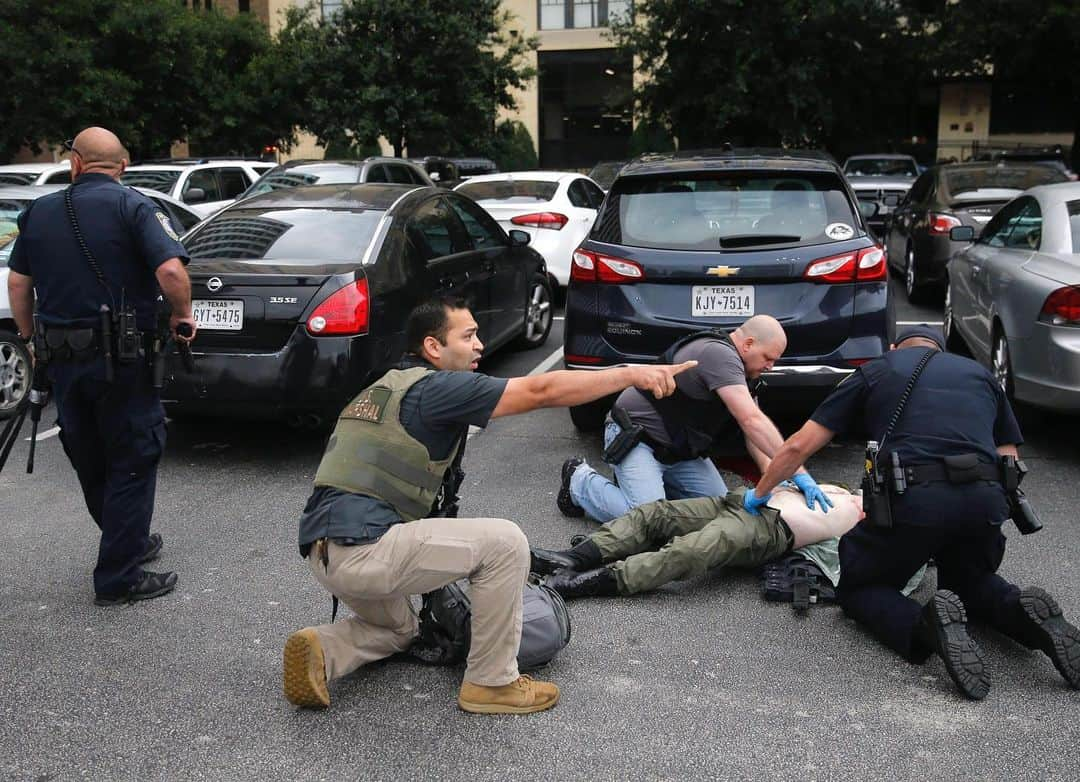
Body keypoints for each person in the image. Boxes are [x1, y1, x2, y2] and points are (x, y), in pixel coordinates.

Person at [283, 296, 697, 715]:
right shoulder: (437, 388)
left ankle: (322, 649)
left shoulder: (380, 390)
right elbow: (541, 389)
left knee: (398, 629)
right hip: (367, 552)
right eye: (468, 336)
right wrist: (631, 373)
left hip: (324, 553)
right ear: (433, 348)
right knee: (504, 542)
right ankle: (491, 683)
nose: (480, 344)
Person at [744, 325, 1080, 699]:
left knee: (860, 586)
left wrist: (760, 493)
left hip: (913, 500)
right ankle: (1027, 615)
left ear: (894, 347)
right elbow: (1009, 459)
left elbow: (798, 446)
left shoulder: (877, 369)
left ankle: (925, 625)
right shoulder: (979, 374)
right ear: (939, 348)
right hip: (983, 501)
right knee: (971, 582)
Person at [6, 126, 196, 606]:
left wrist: (29, 341)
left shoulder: (39, 211)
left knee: (89, 454)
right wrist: (181, 315)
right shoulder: (134, 206)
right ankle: (119, 578)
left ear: (74, 163)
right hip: (123, 361)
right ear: (123, 166)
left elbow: (18, 284)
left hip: (61, 360)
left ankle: (125, 539)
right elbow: (172, 270)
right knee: (133, 455)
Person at [558, 315, 832, 524]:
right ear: (748, 344)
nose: (771, 366)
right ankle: (579, 481)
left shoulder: (745, 376)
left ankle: (646, 488)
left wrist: (776, 477)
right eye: (769, 358)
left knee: (719, 511)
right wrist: (799, 472)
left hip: (679, 451)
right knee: (648, 521)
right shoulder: (718, 355)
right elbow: (752, 421)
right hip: (637, 439)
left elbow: (753, 436)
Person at [531, 483, 865, 598]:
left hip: (769, 530)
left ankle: (585, 583)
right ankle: (575, 557)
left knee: (690, 551)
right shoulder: (841, 488)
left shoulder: (865, 522)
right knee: (655, 514)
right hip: (741, 500)